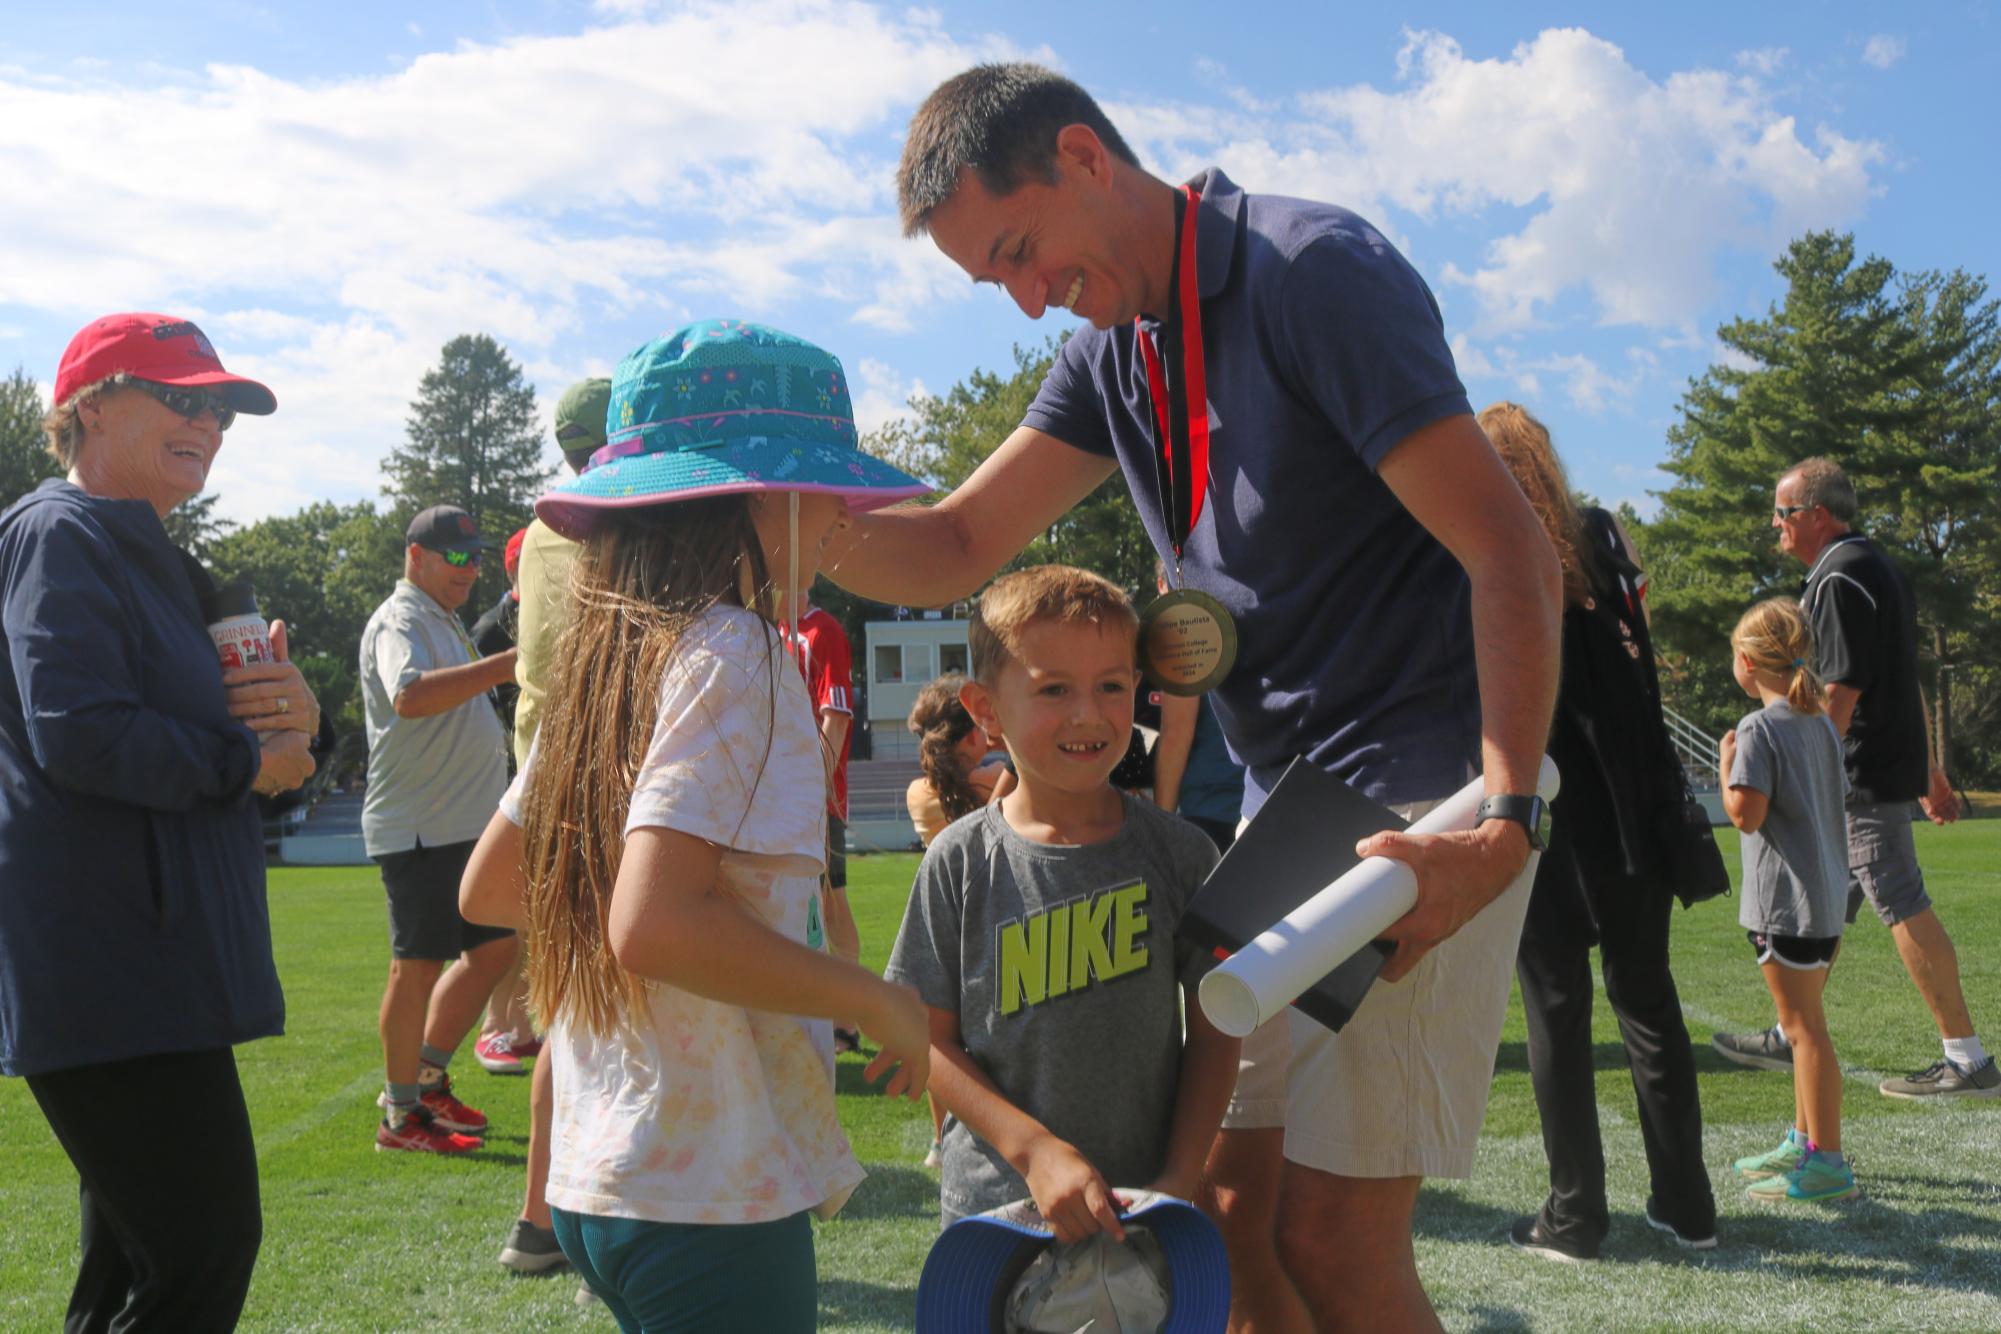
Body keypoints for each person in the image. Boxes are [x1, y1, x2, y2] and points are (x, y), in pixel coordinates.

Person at [834, 63, 1562, 1330]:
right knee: (1225, 1221)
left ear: (1083, 157)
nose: (1021, 300)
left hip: (1422, 793)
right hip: (1295, 810)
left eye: (1018, 251)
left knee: (1333, 1235)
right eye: (988, 281)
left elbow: (1512, 552)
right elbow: (953, 544)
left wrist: (1501, 820)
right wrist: (766, 518)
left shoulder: (1310, 268)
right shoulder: (1110, 351)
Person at [458, 318, 932, 1331]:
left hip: (597, 1181)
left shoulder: (606, 664)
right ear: (761, 499)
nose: (843, 526)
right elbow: (654, 925)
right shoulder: (742, 652)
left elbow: (492, 887)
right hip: (708, 1192)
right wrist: (873, 998)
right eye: (828, 497)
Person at [0, 312, 319, 1329]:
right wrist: (247, 760)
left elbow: (253, 752)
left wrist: (290, 727)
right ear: (89, 405)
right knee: (201, 1248)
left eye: (219, 408)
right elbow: (80, 731)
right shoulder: (61, 532)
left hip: (147, 961)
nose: (209, 423)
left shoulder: (158, 559)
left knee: (138, 1267)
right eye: (182, 398)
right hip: (109, 963)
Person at [884, 565, 1241, 1241]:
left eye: (1110, 685)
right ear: (984, 709)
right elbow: (926, 1041)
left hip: (1143, 1211)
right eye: (1053, 689)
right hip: (997, 1215)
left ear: (1137, 690)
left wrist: (1180, 1176)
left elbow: (1217, 1033)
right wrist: (1033, 1151)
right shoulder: (957, 861)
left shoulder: (1182, 854)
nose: (1088, 713)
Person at [1479, 403, 1716, 1262]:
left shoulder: (1490, 545)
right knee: (1648, 1002)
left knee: (1555, 1006)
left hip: (1547, 799)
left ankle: (1575, 1216)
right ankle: (1688, 1208)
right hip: (1635, 799)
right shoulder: (1602, 540)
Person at [1712, 458, 1996, 1098]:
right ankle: (1793, 1034)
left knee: (1897, 895)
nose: (1776, 526)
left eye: (1783, 514)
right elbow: (1904, 678)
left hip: (1857, 774)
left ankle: (1969, 1059)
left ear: (1817, 515)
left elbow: (1840, 689)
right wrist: (1930, 774)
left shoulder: (1838, 578)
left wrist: (1800, 765)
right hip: (1877, 766)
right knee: (1831, 897)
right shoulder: (1878, 567)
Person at [492, 377, 609, 1275]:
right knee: (593, 1013)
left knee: (576, 1006)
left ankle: (542, 1221)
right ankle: (564, 1218)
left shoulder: (540, 527)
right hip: (593, 786)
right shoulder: (607, 522)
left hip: (544, 781)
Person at [360, 504, 521, 1153]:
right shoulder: (401, 617)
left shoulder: (441, 618)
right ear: (415, 556)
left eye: (477, 557)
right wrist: (507, 664)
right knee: (416, 968)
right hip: (423, 827)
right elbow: (411, 695)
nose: (470, 569)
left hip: (462, 825)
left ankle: (425, 1081)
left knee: (494, 952)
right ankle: (399, 1118)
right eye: (456, 557)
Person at [1719, 599, 1858, 1203]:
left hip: (1787, 907)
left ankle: (1826, 1162)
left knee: (1803, 1032)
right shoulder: (1821, 723)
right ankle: (1803, 1142)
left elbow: (1746, 816)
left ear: (1746, 663)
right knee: (1802, 1026)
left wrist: (1727, 767)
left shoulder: (1758, 729)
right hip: (1827, 900)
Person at [472, 525, 538, 1080]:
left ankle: (520, 1026)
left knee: (533, 919)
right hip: (507, 781)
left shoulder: (539, 611)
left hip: (530, 776)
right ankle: (495, 1028)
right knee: (507, 915)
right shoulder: (492, 627)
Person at [789, 595, 866, 1052]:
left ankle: (844, 1020)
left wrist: (813, 791)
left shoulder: (823, 632)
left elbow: (834, 715)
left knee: (829, 903)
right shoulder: (768, 627)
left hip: (814, 799)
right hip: (782, 798)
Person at [904, 671, 1013, 848]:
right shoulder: (994, 777)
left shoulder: (916, 793)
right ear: (970, 736)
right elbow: (1024, 764)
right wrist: (1004, 740)